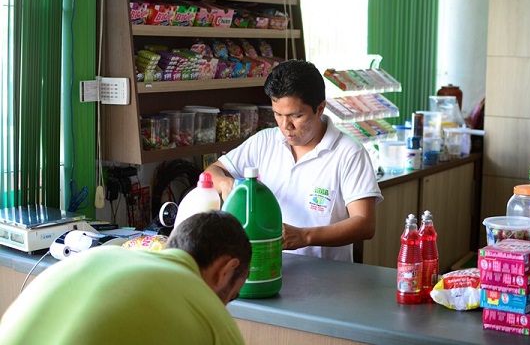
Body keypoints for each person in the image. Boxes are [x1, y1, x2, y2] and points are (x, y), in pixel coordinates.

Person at [205, 59, 383, 262]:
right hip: (268, 265)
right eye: (277, 114)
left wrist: (304, 236)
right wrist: (224, 183)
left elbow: (365, 224)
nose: (285, 125)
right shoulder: (265, 141)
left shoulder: (349, 153)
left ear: (320, 108)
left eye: (296, 116)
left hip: (329, 279)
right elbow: (212, 171)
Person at [0, 211, 251, 345]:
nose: (224, 306)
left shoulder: (102, 255)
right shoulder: (211, 317)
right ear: (226, 270)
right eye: (231, 295)